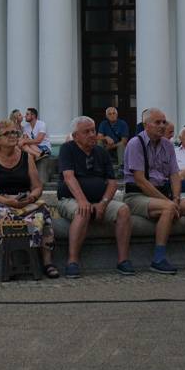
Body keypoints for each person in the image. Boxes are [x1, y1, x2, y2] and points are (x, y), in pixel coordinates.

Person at [122, 108, 185, 274]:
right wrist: (170, 203)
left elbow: (174, 176)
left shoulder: (167, 145)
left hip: (161, 194)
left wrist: (176, 198)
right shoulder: (135, 144)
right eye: (157, 122)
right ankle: (158, 259)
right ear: (146, 125)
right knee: (168, 208)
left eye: (164, 122)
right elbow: (141, 181)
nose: (162, 126)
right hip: (136, 195)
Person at [0, 119, 59, 278]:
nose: (12, 136)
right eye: (6, 133)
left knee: (43, 213)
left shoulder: (26, 157)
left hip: (24, 200)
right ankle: (9, 262)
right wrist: (8, 201)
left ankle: (47, 262)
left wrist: (31, 198)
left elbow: (37, 186)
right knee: (4, 214)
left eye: (14, 132)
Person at [58, 116, 134, 278]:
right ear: (75, 136)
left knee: (123, 210)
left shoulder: (101, 152)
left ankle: (123, 260)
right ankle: (72, 261)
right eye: (87, 132)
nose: (93, 134)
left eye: (93, 130)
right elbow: (68, 178)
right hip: (71, 199)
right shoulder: (67, 149)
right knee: (82, 211)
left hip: (100, 200)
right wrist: (83, 200)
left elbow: (112, 183)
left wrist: (103, 203)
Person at [97, 107, 128, 175]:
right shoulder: (104, 124)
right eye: (110, 114)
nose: (112, 116)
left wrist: (112, 146)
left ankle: (121, 167)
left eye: (114, 114)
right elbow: (98, 137)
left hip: (117, 149)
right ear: (106, 116)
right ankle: (101, 164)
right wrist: (106, 138)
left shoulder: (123, 124)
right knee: (99, 142)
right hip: (106, 149)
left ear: (117, 114)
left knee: (122, 145)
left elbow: (124, 141)